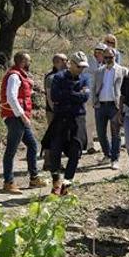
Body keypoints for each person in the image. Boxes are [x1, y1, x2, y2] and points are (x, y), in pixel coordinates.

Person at [43, 52, 90, 195]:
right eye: (79, 66)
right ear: (71, 64)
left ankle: (67, 183)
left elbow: (85, 96)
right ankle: (56, 181)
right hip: (61, 117)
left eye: (83, 67)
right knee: (55, 149)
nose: (81, 69)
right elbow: (55, 96)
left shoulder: (85, 78)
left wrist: (69, 94)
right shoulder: (58, 77)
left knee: (76, 151)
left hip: (78, 118)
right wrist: (75, 94)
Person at [0, 51, 46, 194]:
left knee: (32, 145)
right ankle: (8, 182)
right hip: (15, 118)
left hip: (19, 117)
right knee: (11, 151)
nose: (29, 63)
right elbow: (11, 97)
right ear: (22, 62)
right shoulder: (14, 76)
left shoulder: (19, 75)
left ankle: (34, 178)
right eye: (28, 61)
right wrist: (22, 116)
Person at [92, 47, 127, 170]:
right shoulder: (98, 71)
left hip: (114, 105)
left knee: (115, 133)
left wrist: (123, 106)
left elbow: (125, 89)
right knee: (101, 133)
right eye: (105, 57)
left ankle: (115, 159)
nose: (107, 60)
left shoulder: (122, 71)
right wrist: (94, 102)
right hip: (100, 105)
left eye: (110, 57)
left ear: (115, 56)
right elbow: (94, 88)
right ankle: (107, 154)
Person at [44, 53, 68, 128]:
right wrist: (55, 111)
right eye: (65, 60)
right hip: (54, 112)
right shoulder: (51, 77)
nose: (67, 62)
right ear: (57, 62)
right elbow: (49, 96)